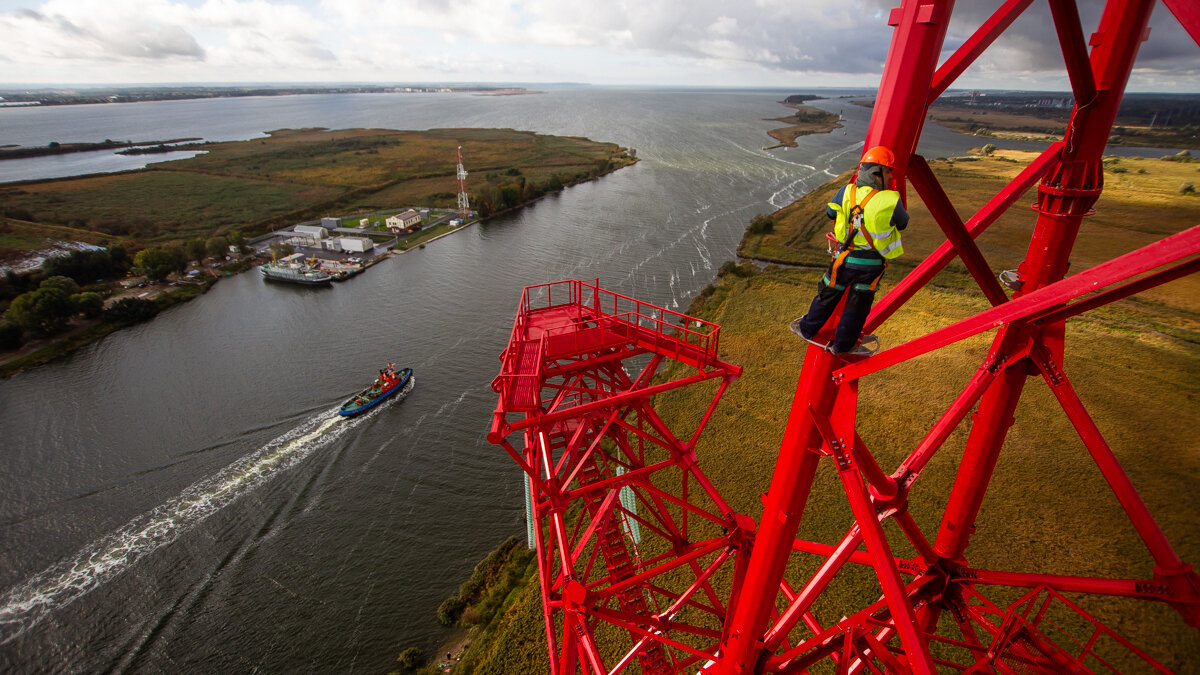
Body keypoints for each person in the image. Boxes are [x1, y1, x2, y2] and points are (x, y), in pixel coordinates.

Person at [791, 145, 908, 355]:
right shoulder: (891, 200)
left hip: (843, 259)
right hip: (871, 266)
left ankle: (807, 329)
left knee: (827, 295)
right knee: (857, 307)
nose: (890, 176)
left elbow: (829, 213)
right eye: (889, 171)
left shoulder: (846, 191)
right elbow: (902, 223)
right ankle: (843, 345)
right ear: (877, 173)